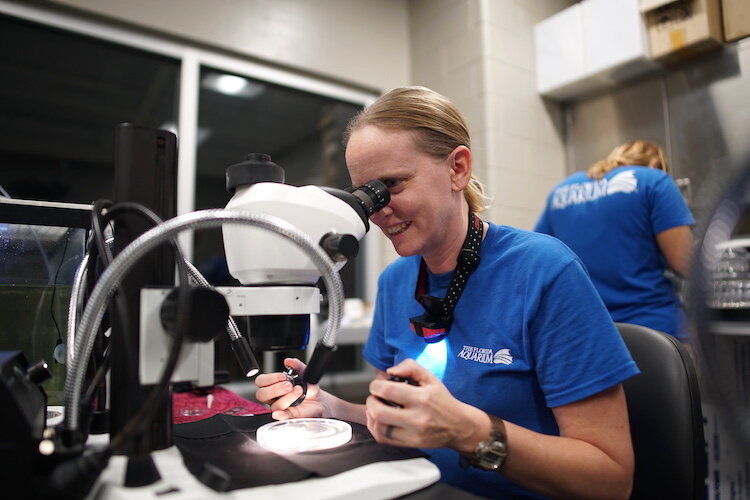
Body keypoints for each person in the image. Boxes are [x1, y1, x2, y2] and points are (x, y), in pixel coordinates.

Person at [255, 87, 639, 499]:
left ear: (457, 168)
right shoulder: (395, 282)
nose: (378, 211)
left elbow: (611, 479)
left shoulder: (544, 271)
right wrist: (334, 410)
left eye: (392, 185)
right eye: (365, 195)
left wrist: (470, 432)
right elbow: (397, 418)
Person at [534, 140, 695, 340]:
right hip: (653, 332)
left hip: (586, 333)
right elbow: (686, 263)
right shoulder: (655, 180)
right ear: (655, 164)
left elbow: (540, 261)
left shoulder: (562, 190)